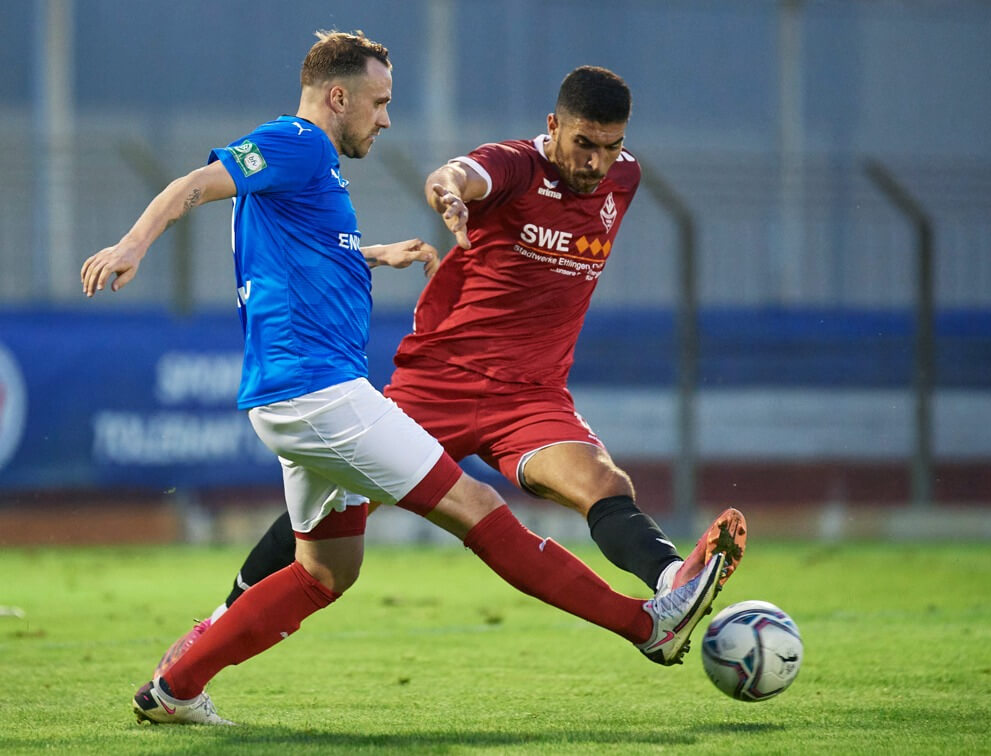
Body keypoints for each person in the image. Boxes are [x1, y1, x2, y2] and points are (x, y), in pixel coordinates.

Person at [82, 34, 733, 727]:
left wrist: (369, 254)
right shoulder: (298, 142)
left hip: (296, 399)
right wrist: (132, 243)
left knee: (323, 573)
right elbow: (193, 185)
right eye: (380, 101)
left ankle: (176, 687)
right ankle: (647, 626)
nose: (387, 118)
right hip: (321, 395)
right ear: (339, 96)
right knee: (479, 512)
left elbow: (293, 253)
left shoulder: (310, 169)